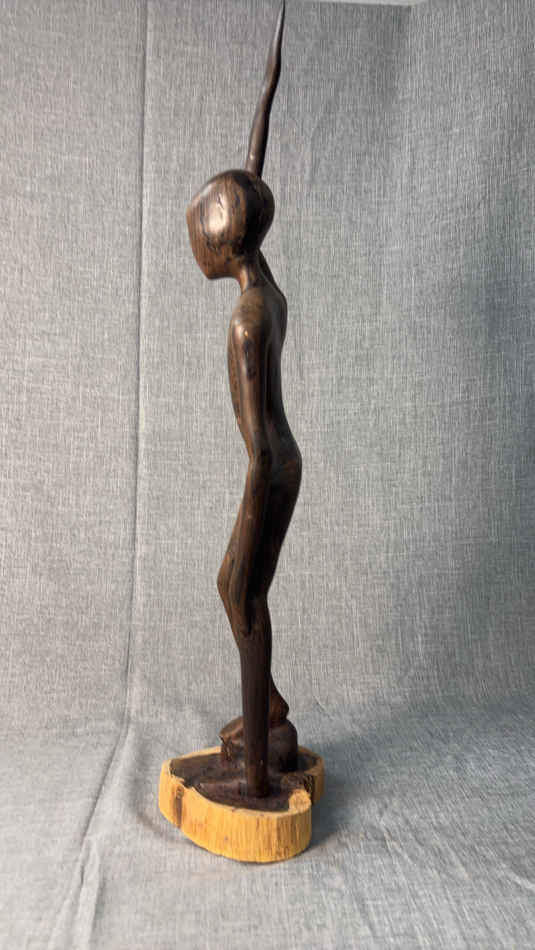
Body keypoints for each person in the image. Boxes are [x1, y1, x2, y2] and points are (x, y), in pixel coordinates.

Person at [185, 2, 299, 798]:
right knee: (234, 587)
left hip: (270, 467)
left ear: (225, 237)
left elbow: (257, 446)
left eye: (199, 225)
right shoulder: (265, 283)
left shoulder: (244, 322)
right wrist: (266, 86)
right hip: (284, 462)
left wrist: (251, 516)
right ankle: (271, 712)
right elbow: (252, 172)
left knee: (241, 593)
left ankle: (257, 773)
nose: (193, 240)